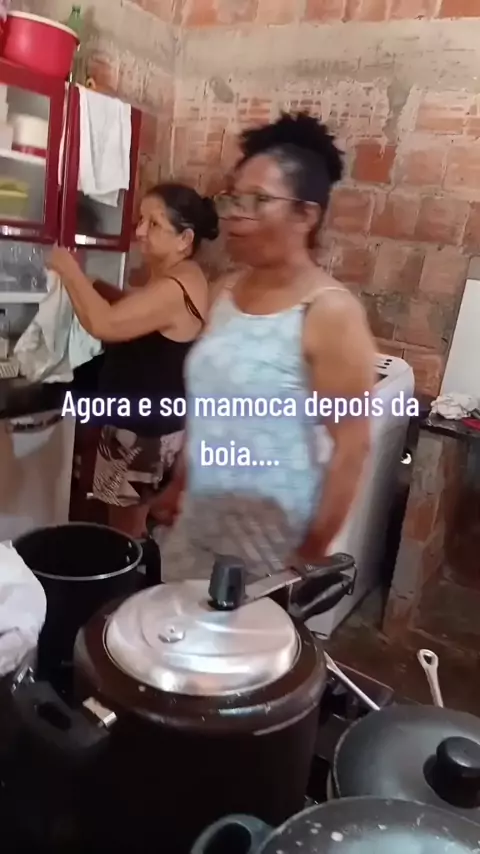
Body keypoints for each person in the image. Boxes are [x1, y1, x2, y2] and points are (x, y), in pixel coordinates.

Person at [155, 111, 377, 582]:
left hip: (271, 543)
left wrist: (311, 549)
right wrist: (179, 485)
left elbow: (352, 448)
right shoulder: (226, 292)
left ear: (305, 215)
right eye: (234, 198)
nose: (237, 215)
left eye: (259, 200)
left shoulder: (329, 312)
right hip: (199, 521)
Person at [47, 182, 219, 538]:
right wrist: (98, 288)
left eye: (154, 224)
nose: (139, 231)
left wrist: (68, 269)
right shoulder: (180, 277)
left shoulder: (175, 287)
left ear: (185, 239)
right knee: (130, 524)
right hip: (146, 426)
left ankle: (129, 574)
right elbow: (143, 319)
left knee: (125, 533)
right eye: (141, 220)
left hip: (140, 434)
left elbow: (105, 325)